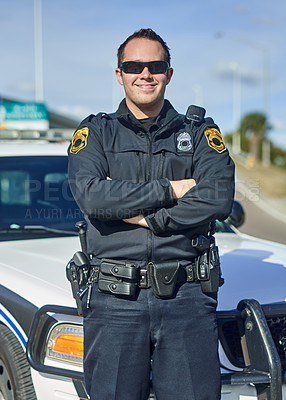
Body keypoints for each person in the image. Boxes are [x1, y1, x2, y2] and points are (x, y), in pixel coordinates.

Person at [68, 28, 235, 400]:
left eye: (155, 65)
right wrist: (170, 190)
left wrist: (151, 219)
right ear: (119, 74)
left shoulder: (200, 132)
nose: (145, 74)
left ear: (169, 73)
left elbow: (219, 197)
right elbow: (93, 196)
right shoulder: (96, 133)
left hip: (186, 299)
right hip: (115, 301)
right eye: (134, 66)